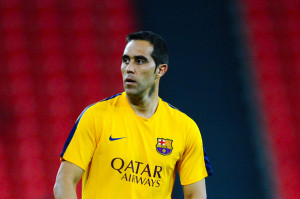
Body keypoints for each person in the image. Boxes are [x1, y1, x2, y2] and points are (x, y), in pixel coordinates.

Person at [53, 31, 213, 199]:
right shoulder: (95, 116)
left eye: (140, 61)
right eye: (126, 60)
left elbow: (196, 194)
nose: (129, 68)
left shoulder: (185, 128)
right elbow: (65, 180)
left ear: (160, 70)